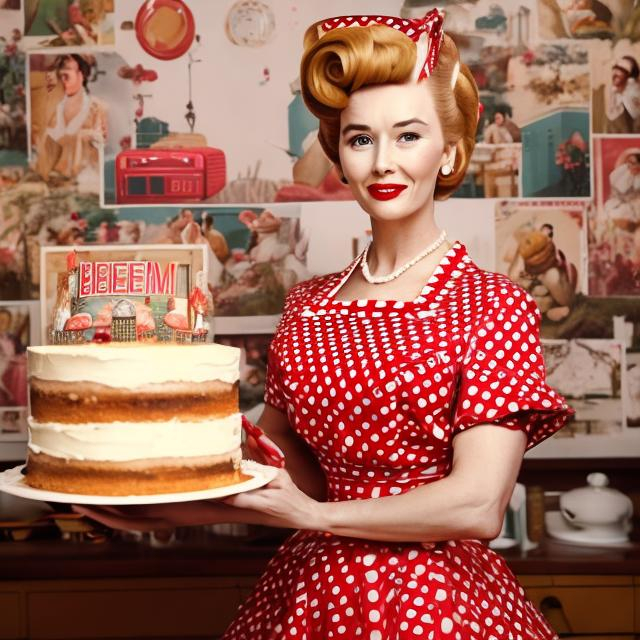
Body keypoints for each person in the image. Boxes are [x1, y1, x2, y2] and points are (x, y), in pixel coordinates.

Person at [75, 9, 574, 638]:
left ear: (449, 150)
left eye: (409, 136)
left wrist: (315, 517)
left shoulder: (491, 303)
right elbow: (282, 470)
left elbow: (478, 505)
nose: (383, 162)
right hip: (311, 593)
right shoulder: (307, 303)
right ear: (339, 153)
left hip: (438, 601)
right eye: (362, 139)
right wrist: (169, 505)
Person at [34, 53, 107, 181]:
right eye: (60, 71)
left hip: (87, 178)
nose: (62, 75)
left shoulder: (96, 106)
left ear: (81, 74)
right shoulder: (53, 107)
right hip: (53, 179)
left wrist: (81, 137)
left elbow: (102, 140)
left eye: (67, 69)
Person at [606, 56, 640, 134]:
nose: (616, 72)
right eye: (616, 67)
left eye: (622, 70)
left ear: (630, 79)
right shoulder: (614, 92)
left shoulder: (631, 98)